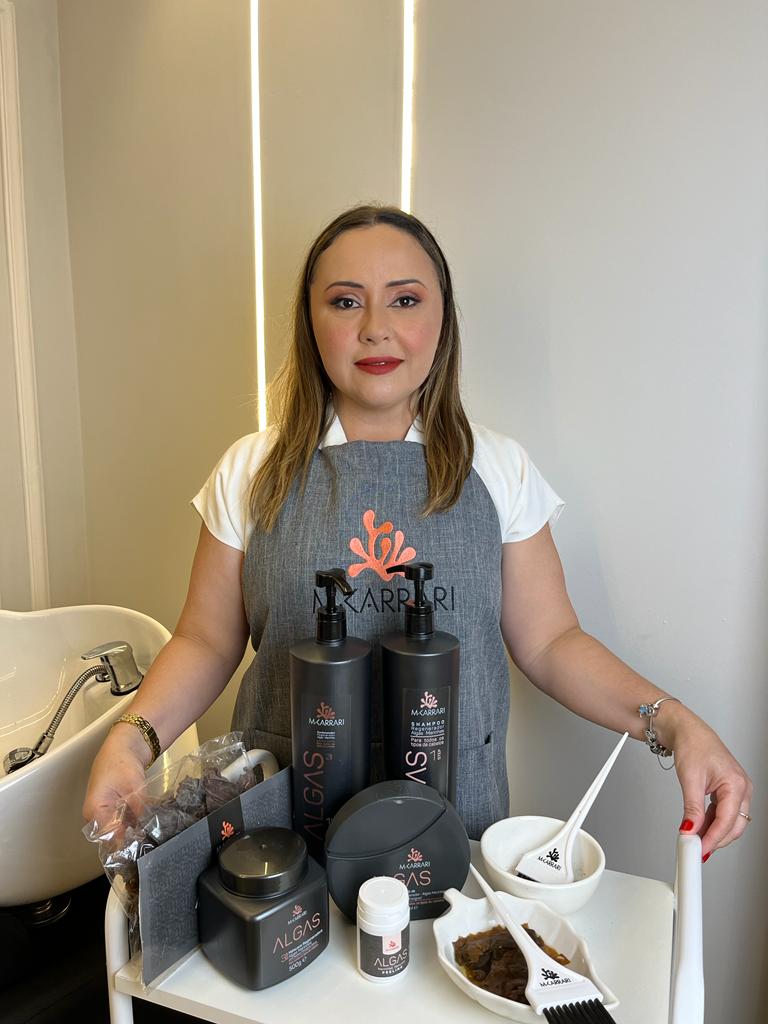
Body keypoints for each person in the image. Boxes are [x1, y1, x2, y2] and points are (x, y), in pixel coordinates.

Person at [83, 204, 752, 850]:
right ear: (311, 321)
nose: (376, 328)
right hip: (286, 835)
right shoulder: (251, 470)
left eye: (404, 299)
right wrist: (129, 741)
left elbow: (552, 642)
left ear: (442, 318)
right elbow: (205, 641)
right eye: (346, 301)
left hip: (454, 827)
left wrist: (672, 722)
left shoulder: (498, 468)